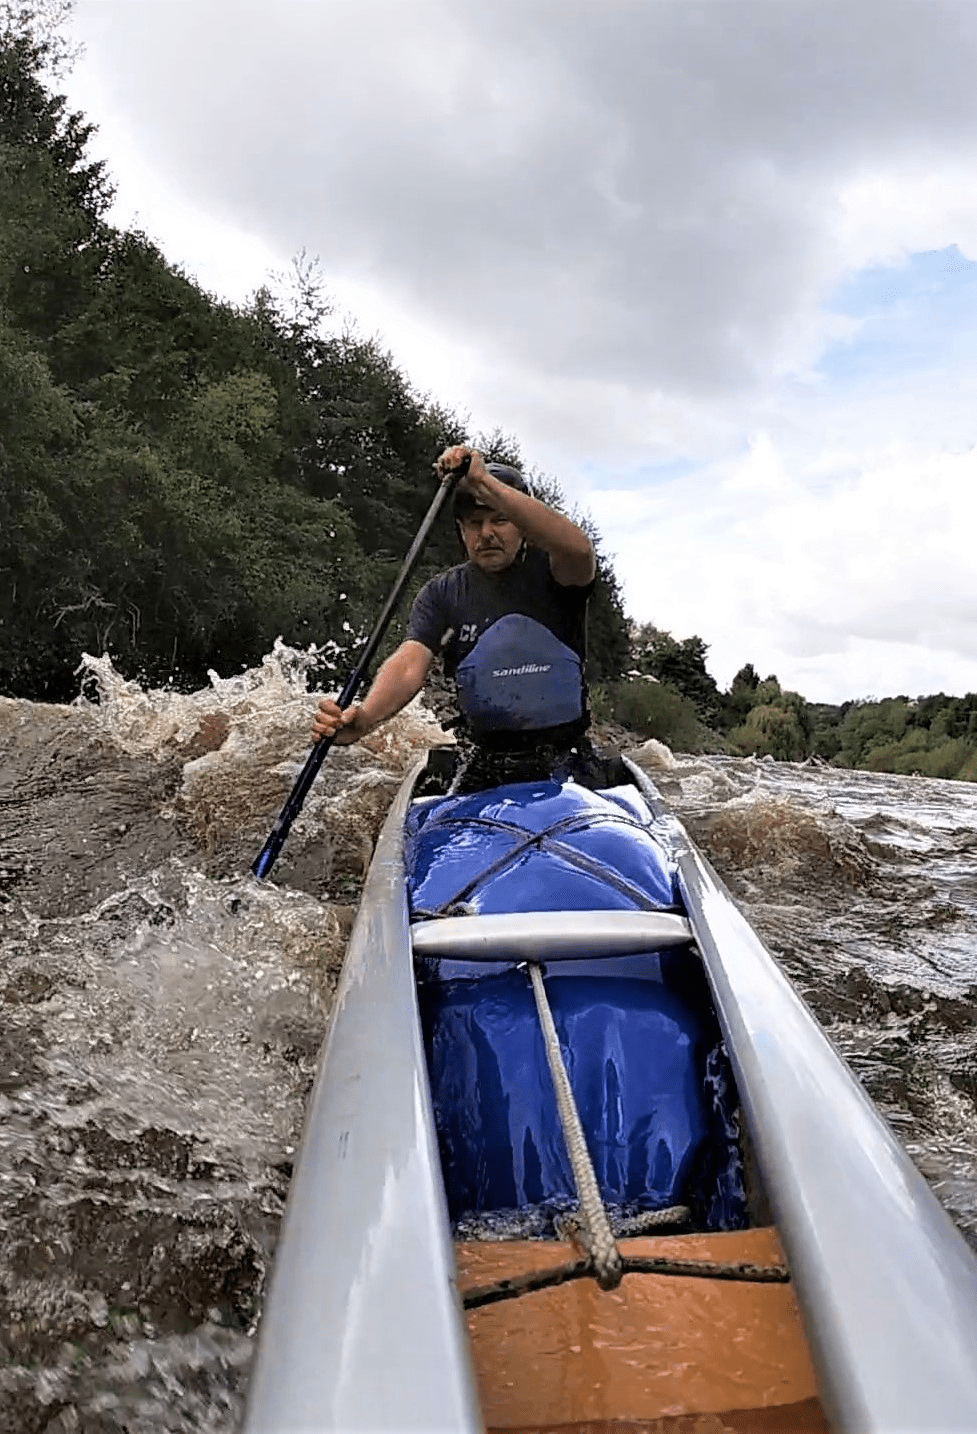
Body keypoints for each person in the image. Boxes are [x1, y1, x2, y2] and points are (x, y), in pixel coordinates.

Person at [312, 444, 623, 792]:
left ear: (522, 527)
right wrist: (365, 718)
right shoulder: (442, 593)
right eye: (474, 523)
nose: (486, 533)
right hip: (484, 764)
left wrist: (482, 482)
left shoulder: (559, 572)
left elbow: (579, 549)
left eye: (500, 520)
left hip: (568, 761)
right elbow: (410, 664)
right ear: (461, 530)